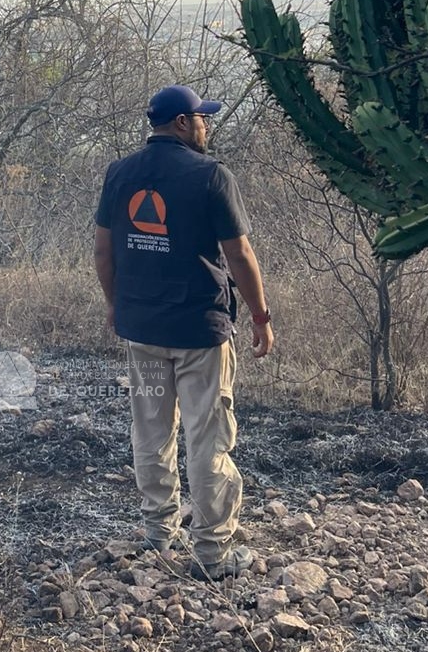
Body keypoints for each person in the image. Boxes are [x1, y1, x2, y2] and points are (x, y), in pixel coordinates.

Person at [94, 84, 274, 581]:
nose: (206, 126)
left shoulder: (119, 173)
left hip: (142, 329)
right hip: (200, 331)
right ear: (181, 122)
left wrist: (115, 305)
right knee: (207, 437)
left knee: (151, 431)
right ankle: (212, 553)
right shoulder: (211, 175)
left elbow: (103, 252)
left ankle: (158, 533)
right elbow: (239, 255)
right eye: (201, 118)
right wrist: (261, 317)